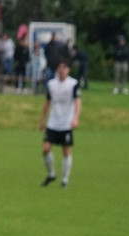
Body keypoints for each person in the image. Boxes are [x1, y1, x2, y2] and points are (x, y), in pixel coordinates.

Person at [39, 59, 81, 188]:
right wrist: (42, 119)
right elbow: (47, 102)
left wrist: (75, 118)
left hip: (66, 123)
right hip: (53, 122)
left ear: (68, 70)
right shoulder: (51, 84)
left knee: (66, 151)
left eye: (64, 67)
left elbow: (77, 102)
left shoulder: (73, 84)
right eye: (60, 67)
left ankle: (64, 180)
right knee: (45, 149)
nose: (62, 70)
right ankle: (51, 174)